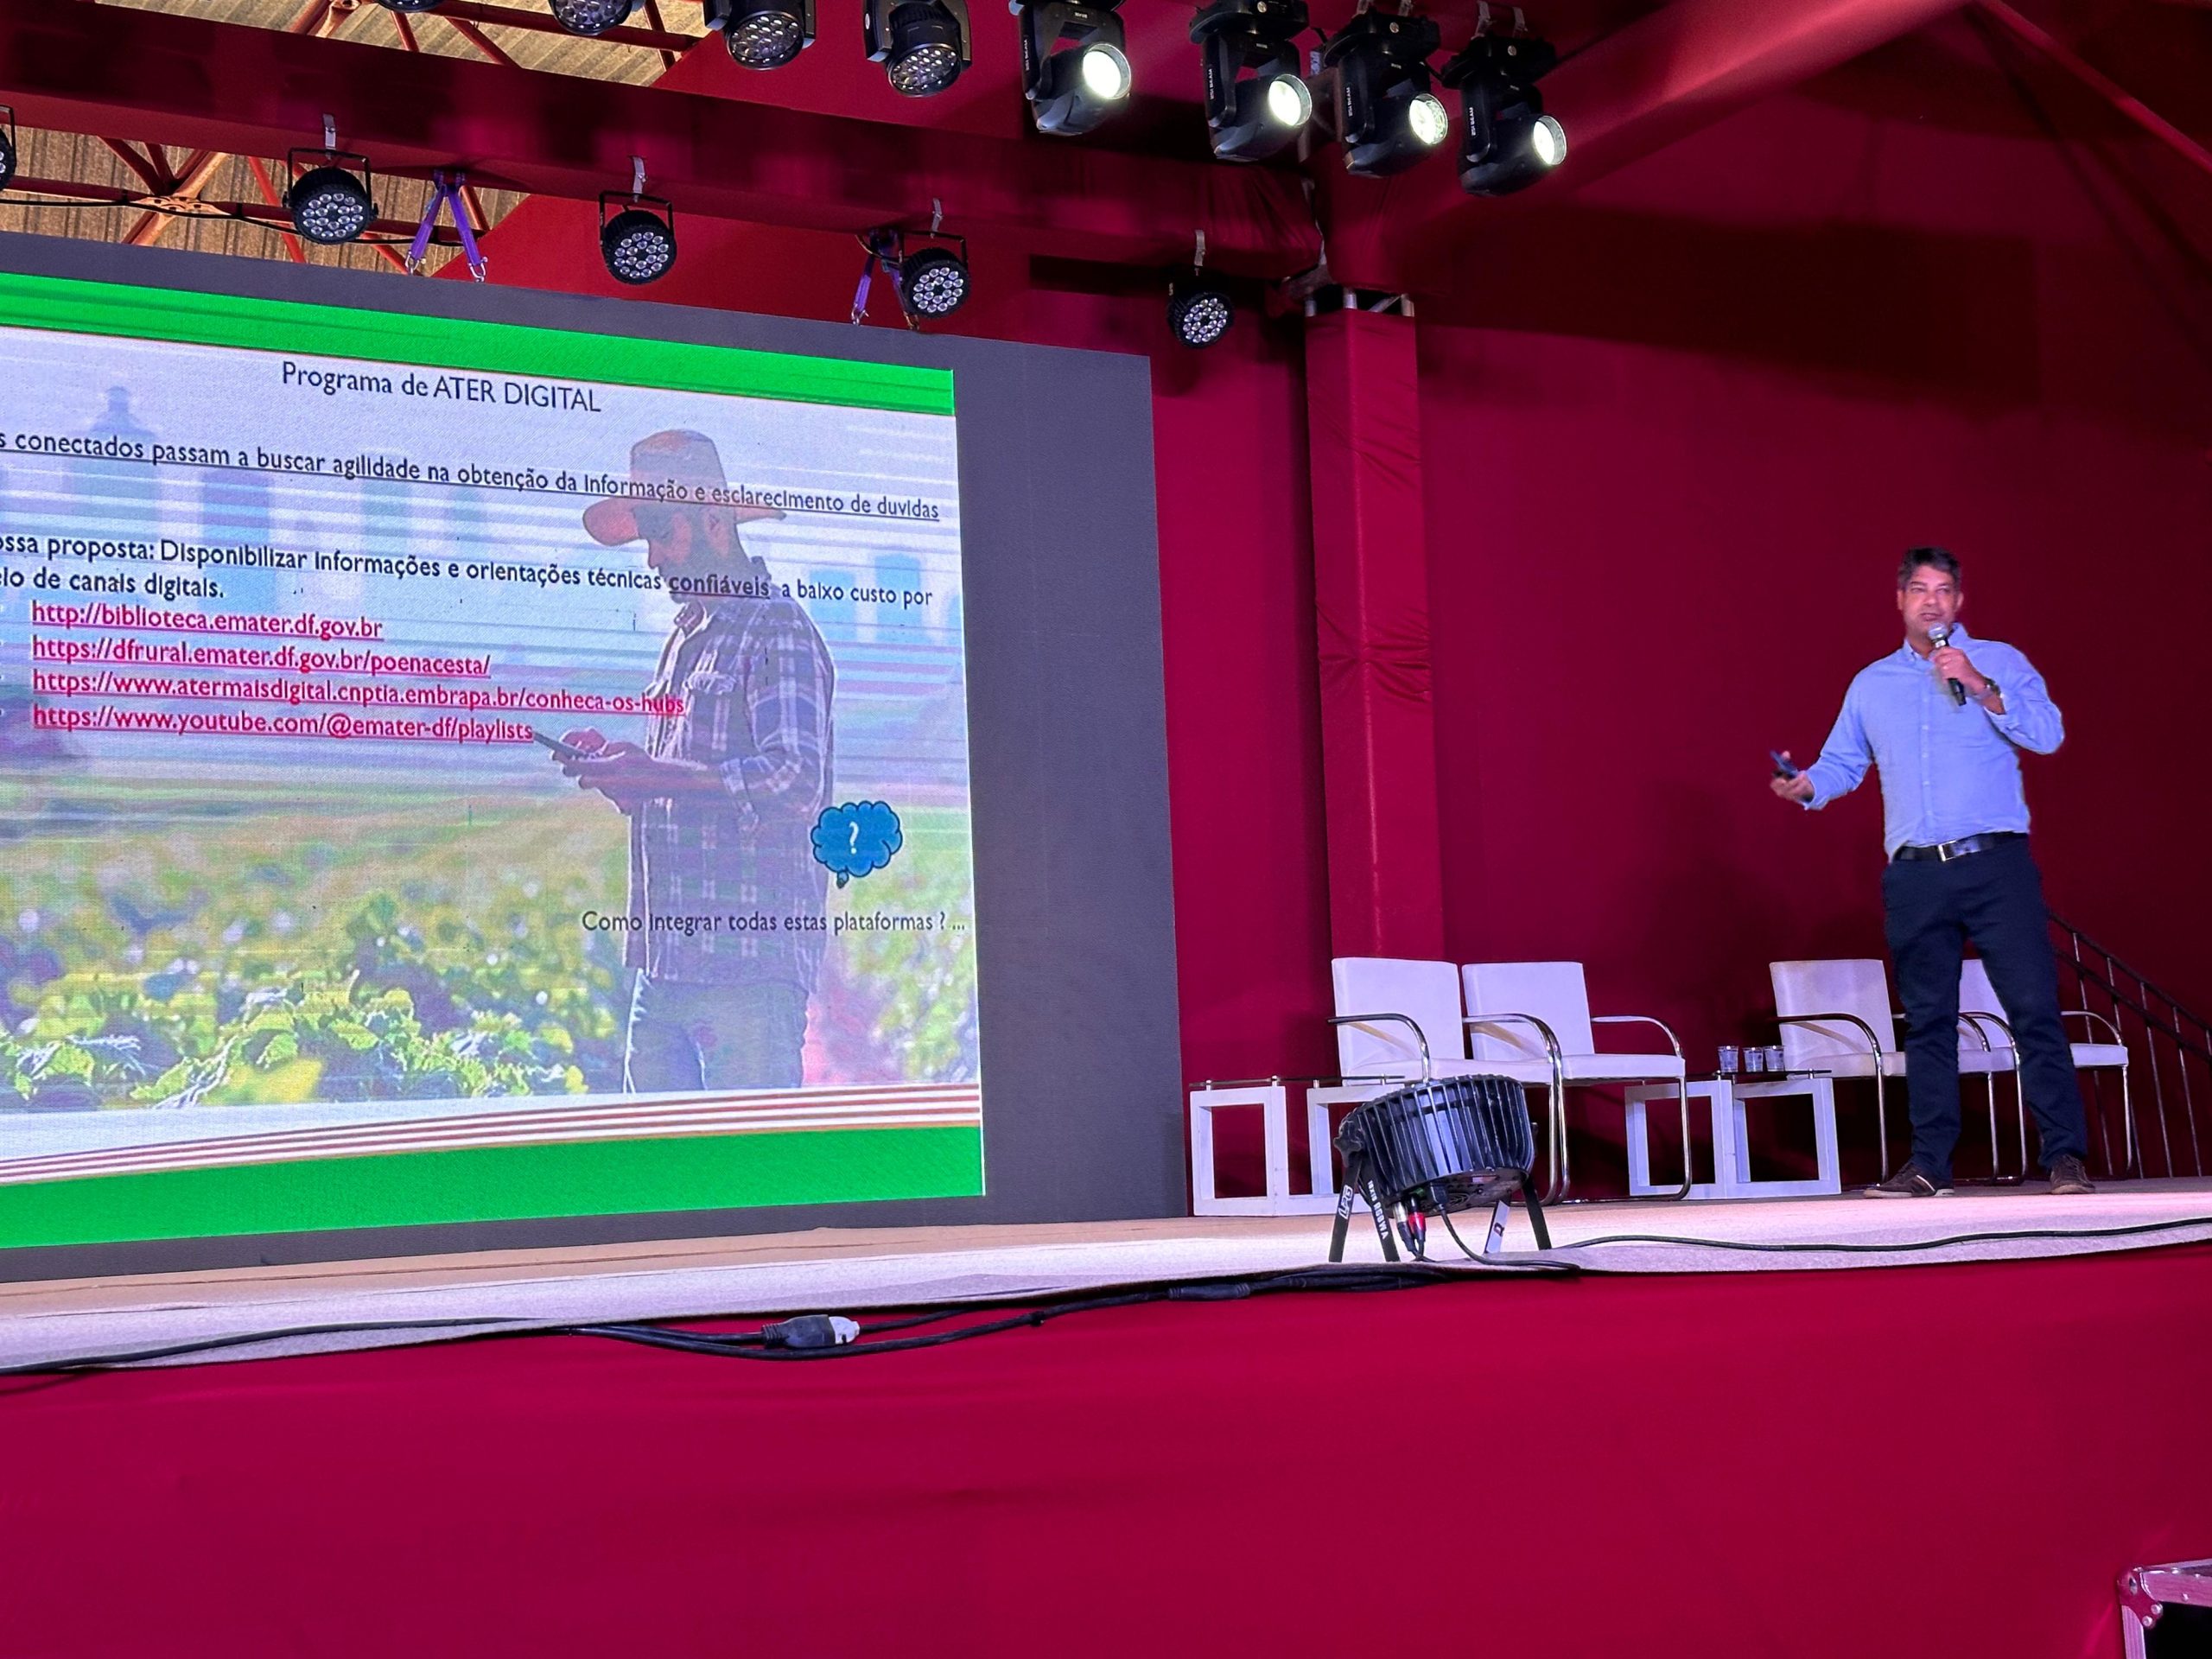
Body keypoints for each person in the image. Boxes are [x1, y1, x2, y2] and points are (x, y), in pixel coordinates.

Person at [1771, 546, 2094, 1198]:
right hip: (1917, 875)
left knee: (2033, 1007)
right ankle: (1929, 1164)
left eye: (1943, 590)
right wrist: (1807, 787)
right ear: (1900, 600)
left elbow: (2048, 734)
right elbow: (1842, 763)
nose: (1932, 602)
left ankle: (2065, 1157)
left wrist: (1980, 686)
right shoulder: (1871, 684)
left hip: (1995, 864)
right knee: (1927, 1020)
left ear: (1959, 601)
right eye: (1919, 589)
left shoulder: (1998, 661)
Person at [557, 430, 836, 1094]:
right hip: (665, 968)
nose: (652, 557)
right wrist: (630, 779)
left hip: (746, 972)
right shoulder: (685, 636)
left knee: (748, 1157)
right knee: (654, 1156)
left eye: (662, 533)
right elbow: (688, 782)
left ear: (715, 522)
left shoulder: (776, 627)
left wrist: (655, 775)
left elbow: (795, 781)